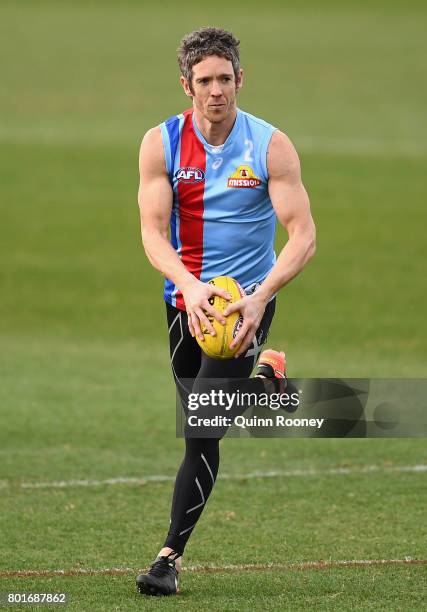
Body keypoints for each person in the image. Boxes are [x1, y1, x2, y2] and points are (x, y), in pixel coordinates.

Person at [136, 27, 316, 596]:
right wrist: (188, 288)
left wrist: (260, 297)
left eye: (225, 79)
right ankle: (267, 385)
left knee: (200, 426)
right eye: (205, 80)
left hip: (244, 306)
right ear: (186, 84)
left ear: (241, 79)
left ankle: (168, 558)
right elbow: (153, 233)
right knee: (203, 413)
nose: (217, 91)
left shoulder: (269, 146)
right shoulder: (161, 143)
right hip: (185, 303)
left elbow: (302, 235)